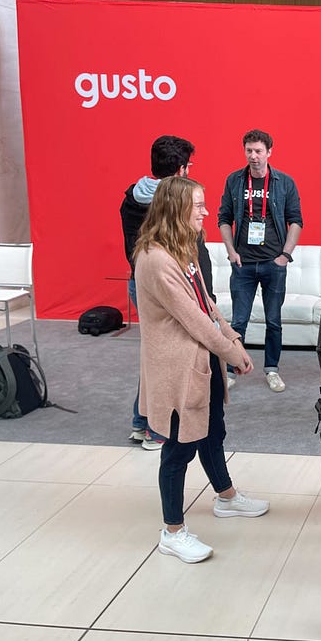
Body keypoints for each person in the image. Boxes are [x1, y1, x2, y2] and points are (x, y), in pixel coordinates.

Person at [133, 177, 269, 564]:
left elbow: (208, 306)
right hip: (177, 371)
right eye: (197, 206)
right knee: (178, 449)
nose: (205, 212)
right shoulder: (157, 259)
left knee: (212, 430)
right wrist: (232, 351)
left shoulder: (183, 250)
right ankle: (172, 531)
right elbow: (193, 320)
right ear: (176, 209)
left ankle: (225, 496)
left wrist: (232, 341)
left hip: (201, 364)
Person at [119, 135, 214, 451]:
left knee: (153, 353)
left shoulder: (131, 197)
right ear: (180, 169)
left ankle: (141, 421)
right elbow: (193, 255)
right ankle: (158, 429)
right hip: (173, 286)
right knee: (171, 359)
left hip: (141, 283)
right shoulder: (173, 207)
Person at [218, 129, 303, 393]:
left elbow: (296, 220)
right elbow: (224, 218)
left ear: (269, 152)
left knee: (274, 321)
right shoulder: (234, 181)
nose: (253, 156)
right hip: (243, 265)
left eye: (258, 151)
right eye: (249, 151)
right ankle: (233, 369)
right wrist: (231, 252)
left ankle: (272, 369)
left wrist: (285, 256)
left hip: (272, 264)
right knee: (239, 321)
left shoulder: (284, 182)